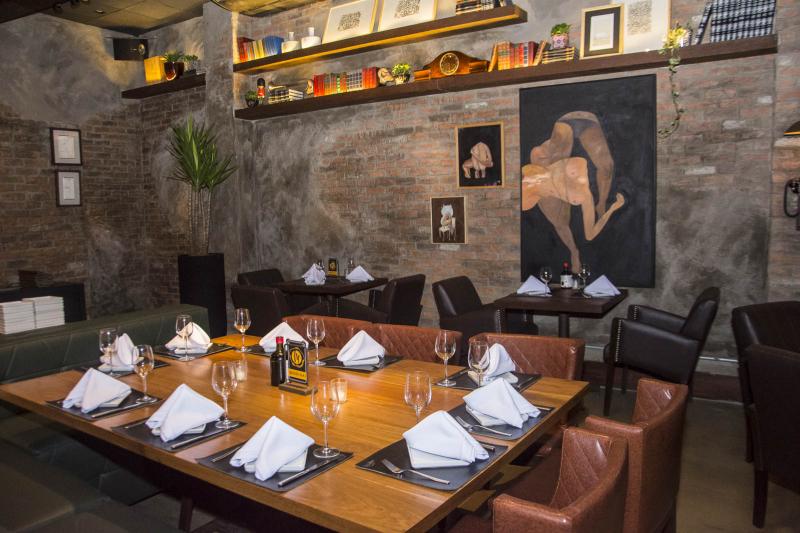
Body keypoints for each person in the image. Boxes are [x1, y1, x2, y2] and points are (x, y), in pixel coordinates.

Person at [522, 111, 624, 271]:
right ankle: (574, 251)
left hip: (570, 124)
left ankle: (601, 204)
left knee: (607, 167)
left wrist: (608, 205)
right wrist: (613, 208)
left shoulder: (541, 168)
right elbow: (590, 235)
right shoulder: (583, 196)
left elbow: (535, 156)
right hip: (577, 126)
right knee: (560, 223)